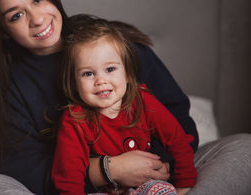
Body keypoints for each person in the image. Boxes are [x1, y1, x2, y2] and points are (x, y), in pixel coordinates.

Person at [0, 0, 251, 195]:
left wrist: (148, 170)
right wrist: (110, 170)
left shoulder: (112, 45)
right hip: (74, 187)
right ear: (1, 31)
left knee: (247, 148)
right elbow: (22, 168)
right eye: (16, 15)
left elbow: (178, 119)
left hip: (157, 172)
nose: (38, 18)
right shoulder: (8, 86)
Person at [51, 17, 196, 195]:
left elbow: (177, 140)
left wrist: (184, 184)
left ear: (128, 73)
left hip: (149, 184)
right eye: (88, 73)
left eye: (110, 69)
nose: (101, 81)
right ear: (74, 83)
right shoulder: (75, 119)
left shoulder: (143, 100)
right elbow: (68, 174)